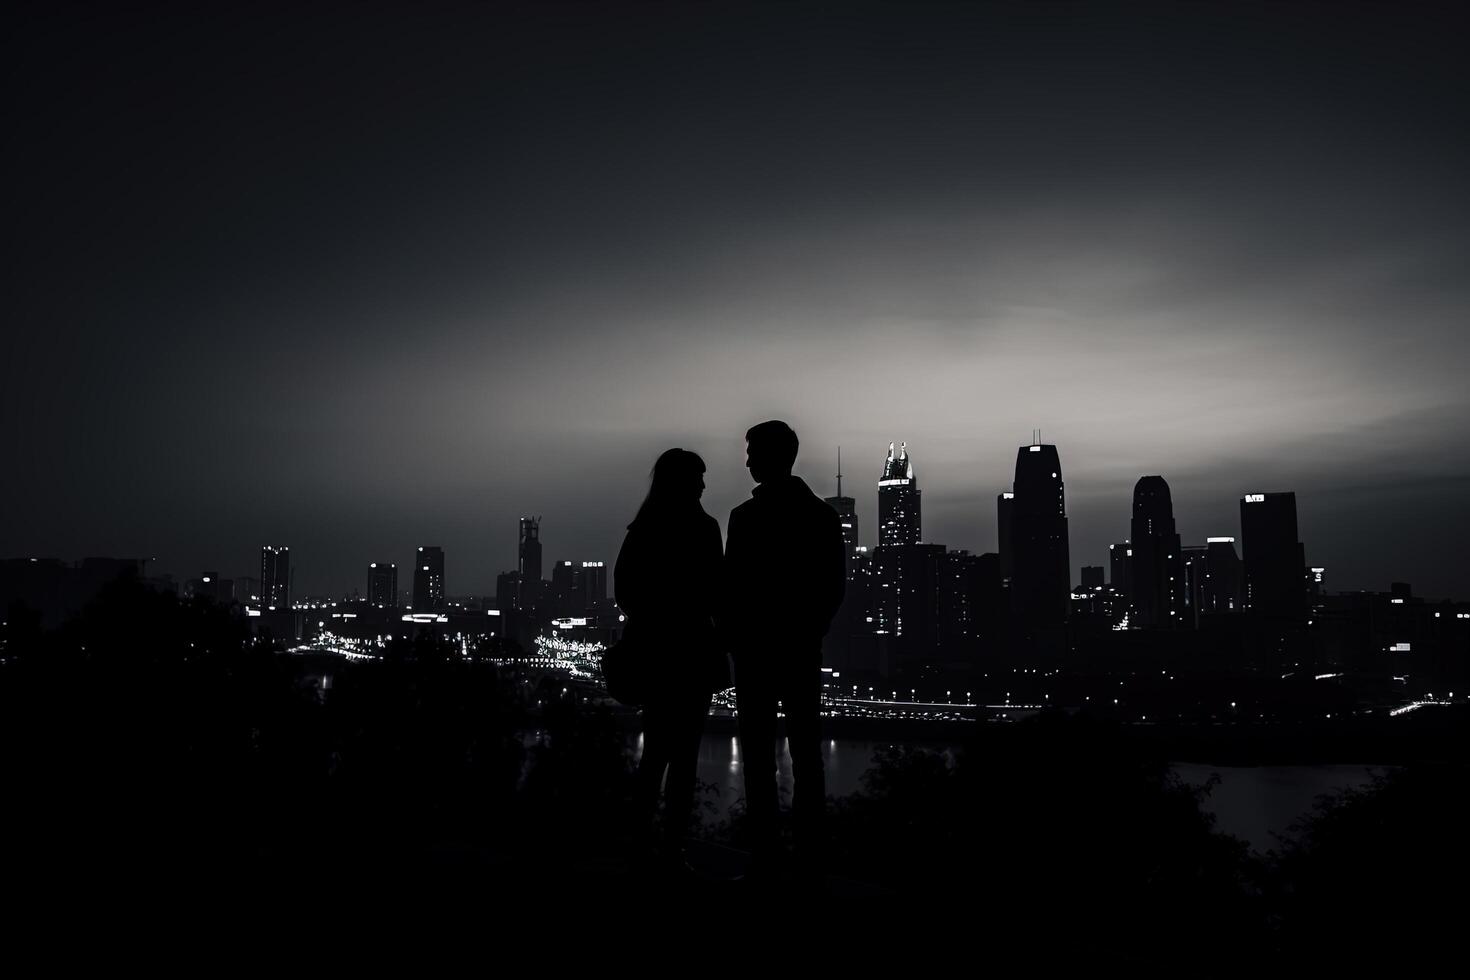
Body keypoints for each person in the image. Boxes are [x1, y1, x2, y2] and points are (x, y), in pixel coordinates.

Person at [723, 420, 846, 882]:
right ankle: (809, 861)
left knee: (759, 756)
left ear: (776, 455)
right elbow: (832, 587)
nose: (748, 460)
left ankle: (766, 860)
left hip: (757, 652)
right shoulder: (820, 516)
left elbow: (730, 588)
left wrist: (736, 635)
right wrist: (810, 629)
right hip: (798, 650)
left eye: (753, 451)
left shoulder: (746, 517)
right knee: (805, 755)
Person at [614, 448, 725, 875]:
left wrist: (656, 614)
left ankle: (641, 848)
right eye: (698, 476)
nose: (703, 484)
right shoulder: (705, 529)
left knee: (655, 755)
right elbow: (717, 593)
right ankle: (672, 850)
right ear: (683, 481)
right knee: (684, 759)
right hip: (693, 656)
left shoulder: (643, 530)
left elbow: (626, 593)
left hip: (656, 656)